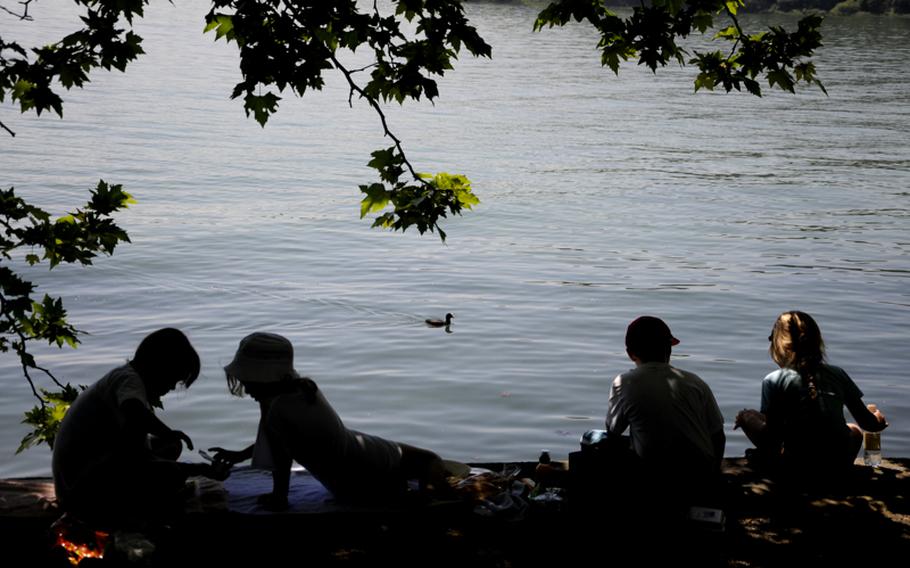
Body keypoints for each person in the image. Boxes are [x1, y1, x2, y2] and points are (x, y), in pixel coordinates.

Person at [210, 332, 452, 510]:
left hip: (352, 477)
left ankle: (435, 504)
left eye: (247, 380)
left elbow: (282, 455)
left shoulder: (278, 407)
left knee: (428, 464)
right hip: (363, 464)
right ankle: (430, 501)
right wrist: (241, 456)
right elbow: (282, 445)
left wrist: (279, 497)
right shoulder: (303, 390)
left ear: (262, 378)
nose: (246, 387)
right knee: (429, 461)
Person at [52, 328, 228, 524]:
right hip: (82, 493)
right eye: (173, 379)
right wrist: (195, 467)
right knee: (170, 476)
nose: (171, 388)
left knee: (171, 446)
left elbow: (133, 450)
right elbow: (134, 415)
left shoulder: (122, 379)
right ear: (159, 367)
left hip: (78, 480)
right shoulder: (129, 382)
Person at [734, 311, 887, 472]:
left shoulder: (773, 380)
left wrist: (746, 419)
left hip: (798, 466)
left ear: (779, 346)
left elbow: (773, 439)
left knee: (749, 417)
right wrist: (878, 419)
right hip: (836, 461)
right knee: (855, 430)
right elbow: (869, 424)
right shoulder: (837, 374)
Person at [605, 316, 726, 503]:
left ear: (630, 354)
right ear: (669, 349)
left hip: (655, 477)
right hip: (699, 475)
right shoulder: (695, 382)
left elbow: (613, 431)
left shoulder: (624, 383)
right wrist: (714, 473)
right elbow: (718, 435)